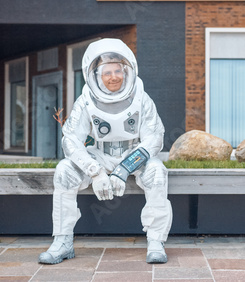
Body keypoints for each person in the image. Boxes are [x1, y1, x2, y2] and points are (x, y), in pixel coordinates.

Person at [38, 38, 172, 265]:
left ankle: (156, 241)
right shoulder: (86, 101)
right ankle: (62, 241)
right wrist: (95, 172)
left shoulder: (141, 98)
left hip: (134, 155)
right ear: (95, 74)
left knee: (157, 173)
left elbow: (154, 138)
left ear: (128, 70)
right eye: (106, 72)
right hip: (99, 154)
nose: (113, 77)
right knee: (64, 172)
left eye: (118, 70)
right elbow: (71, 140)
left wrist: (125, 168)